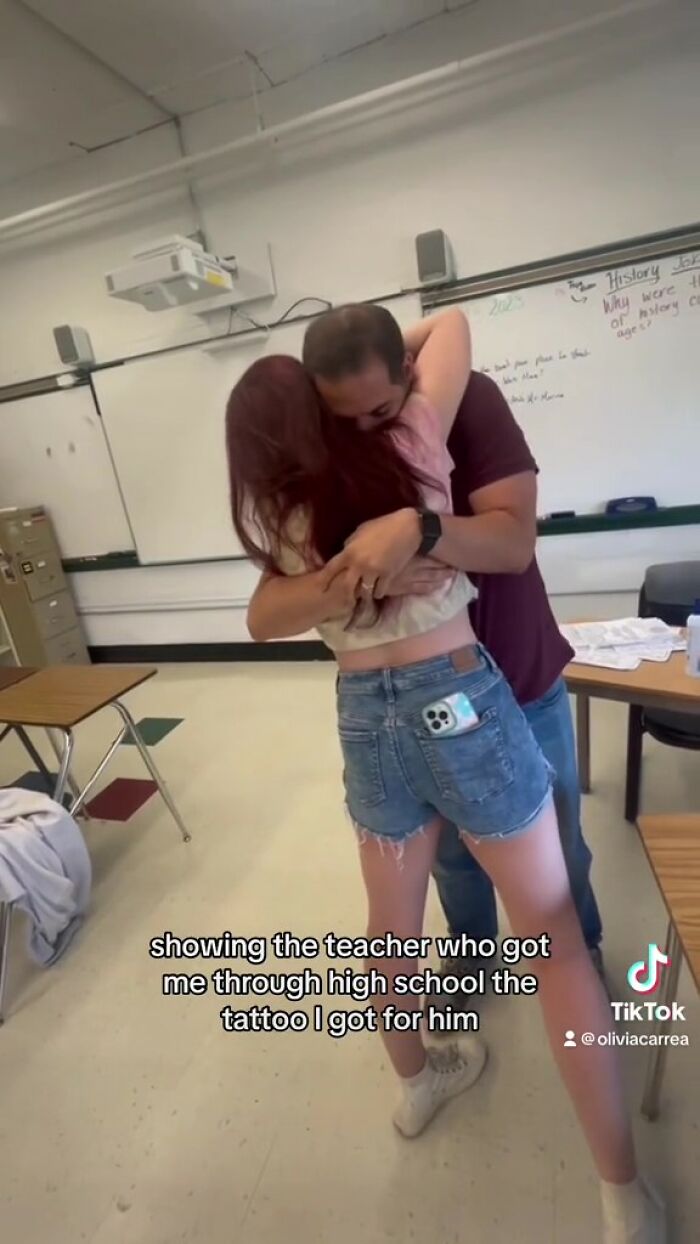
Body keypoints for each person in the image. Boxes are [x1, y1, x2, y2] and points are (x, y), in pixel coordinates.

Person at [225, 307, 664, 1243]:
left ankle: (418, 1083)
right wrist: (391, 362)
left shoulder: (291, 509)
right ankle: (622, 1192)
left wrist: (343, 576)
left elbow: (265, 616)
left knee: (389, 927)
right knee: (554, 936)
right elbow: (453, 324)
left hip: (363, 718)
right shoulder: (413, 445)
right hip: (457, 703)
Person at [302, 307, 603, 982]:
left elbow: (512, 544)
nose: (366, 433)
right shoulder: (333, 433)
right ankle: (474, 959)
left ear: (410, 373)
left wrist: (422, 530)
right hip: (423, 696)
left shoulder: (470, 404)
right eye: (345, 417)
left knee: (556, 843)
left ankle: (581, 952)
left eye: (380, 411)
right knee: (454, 855)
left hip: (516, 676)